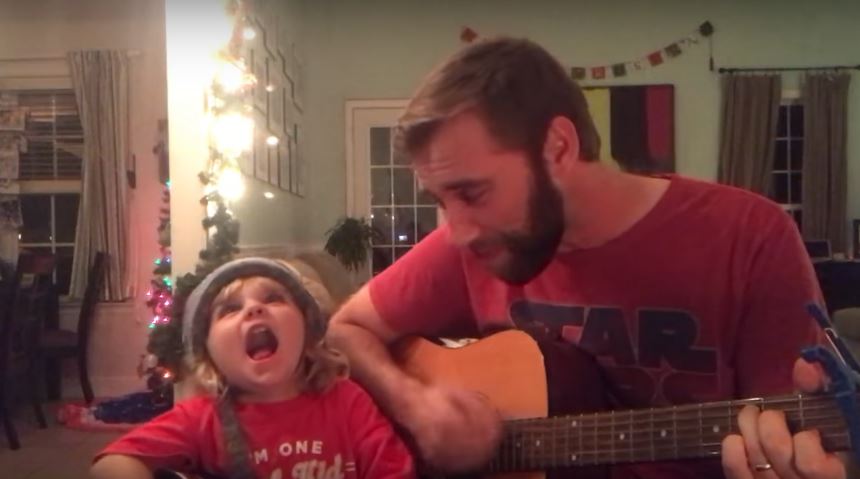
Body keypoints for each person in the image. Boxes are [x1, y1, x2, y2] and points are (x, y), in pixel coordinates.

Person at [327, 37, 847, 479]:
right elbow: (345, 330)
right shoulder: (478, 245)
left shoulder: (748, 236)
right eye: (442, 200)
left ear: (558, 147)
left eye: (472, 192)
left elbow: (803, 429)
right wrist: (416, 407)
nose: (455, 232)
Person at [91, 258, 415, 479]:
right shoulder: (202, 418)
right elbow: (110, 465)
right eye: (230, 309)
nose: (254, 309)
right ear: (210, 353)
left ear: (308, 330)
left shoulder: (347, 402)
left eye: (274, 298)